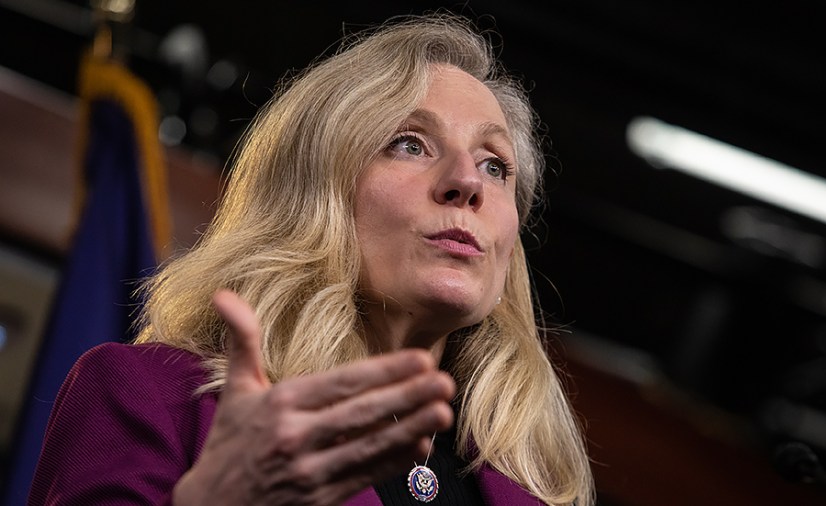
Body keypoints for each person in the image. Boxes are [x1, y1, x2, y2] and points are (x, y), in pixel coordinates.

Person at [28, 14, 595, 506]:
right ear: (314, 191)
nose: (468, 182)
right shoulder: (151, 398)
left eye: (495, 164)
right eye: (410, 143)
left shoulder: (541, 487)